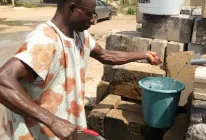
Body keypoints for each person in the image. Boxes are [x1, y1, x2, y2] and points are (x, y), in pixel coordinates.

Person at [0, 0, 162, 139]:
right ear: (71, 9)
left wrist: (144, 54)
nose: (93, 21)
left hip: (62, 129)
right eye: (90, 14)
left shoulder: (79, 35)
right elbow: (3, 80)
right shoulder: (44, 41)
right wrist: (53, 121)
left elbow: (106, 55)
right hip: (36, 131)